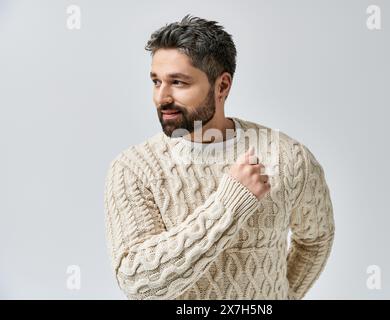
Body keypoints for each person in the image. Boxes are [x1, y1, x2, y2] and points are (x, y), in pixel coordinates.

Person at [104, 14, 335, 300]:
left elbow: (316, 239)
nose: (161, 97)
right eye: (156, 81)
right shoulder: (134, 168)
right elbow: (138, 281)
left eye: (178, 82)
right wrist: (229, 203)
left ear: (222, 86)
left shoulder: (287, 157)